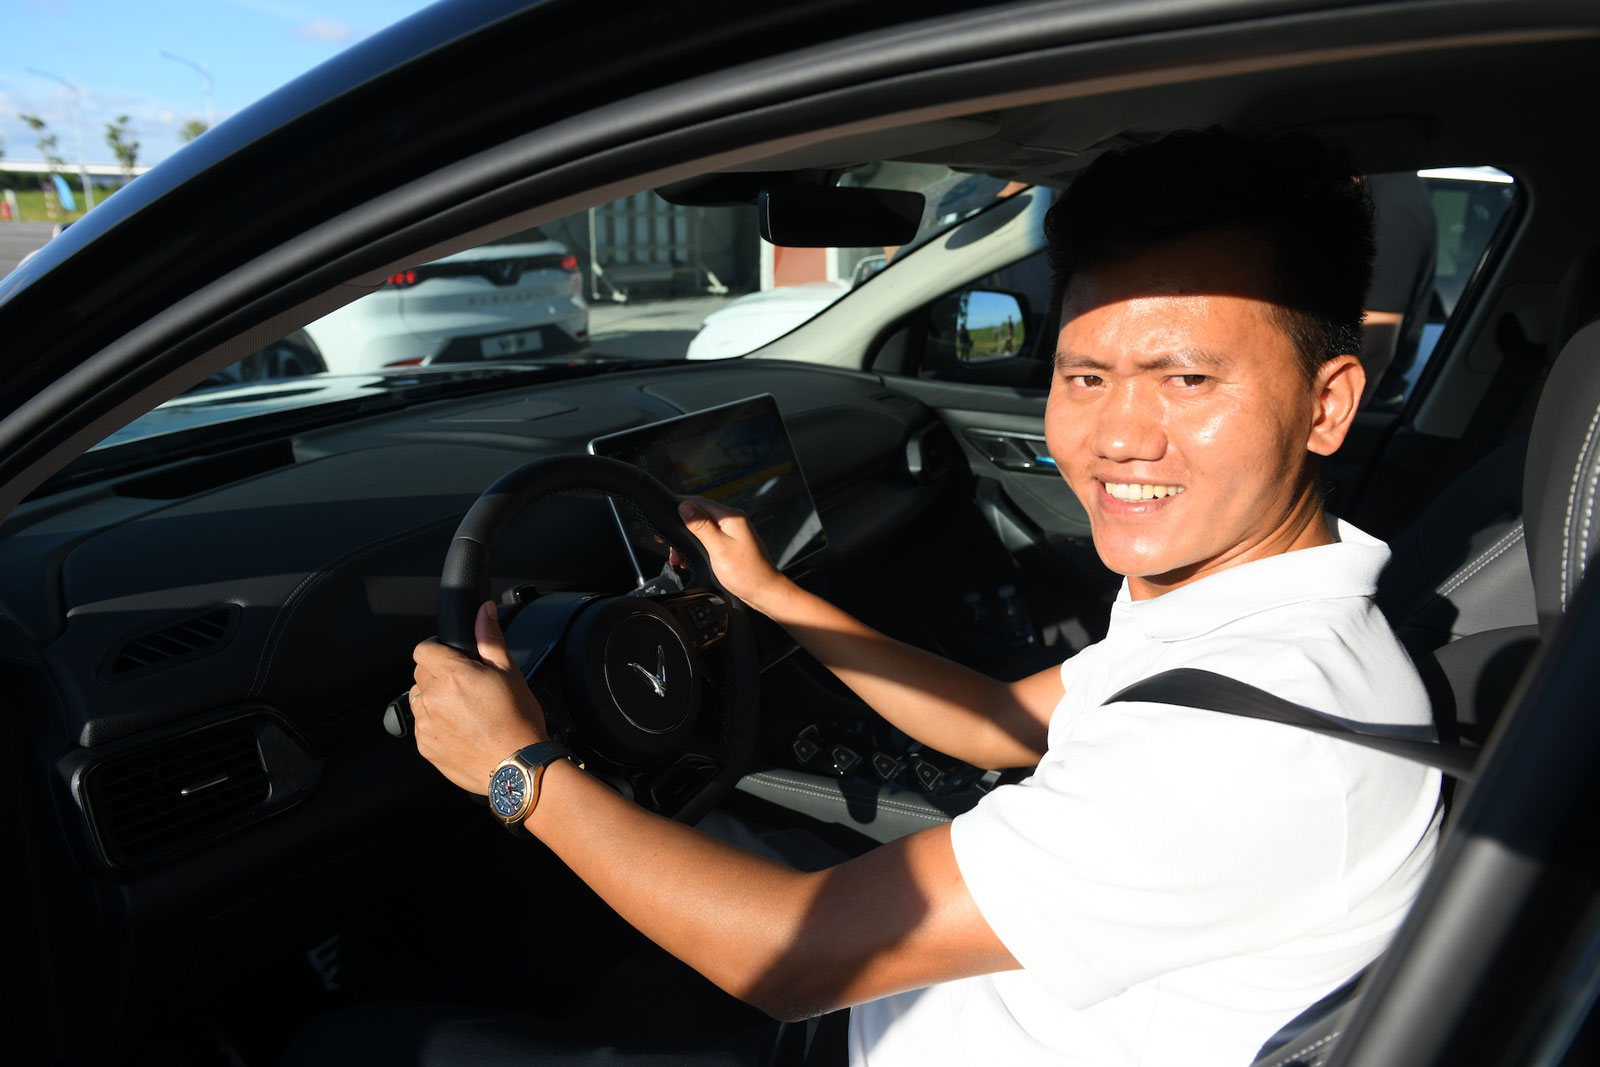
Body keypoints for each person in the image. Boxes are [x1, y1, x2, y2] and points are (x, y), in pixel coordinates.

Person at [375, 129, 1442, 1067]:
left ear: (1327, 404)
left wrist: (518, 770)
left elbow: (789, 954)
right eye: (1085, 376)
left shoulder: (1248, 740)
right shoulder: (1249, 621)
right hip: (939, 1002)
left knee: (357, 1041)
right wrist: (768, 592)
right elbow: (1002, 720)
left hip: (855, 1024)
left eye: (1187, 379)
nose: (1118, 436)